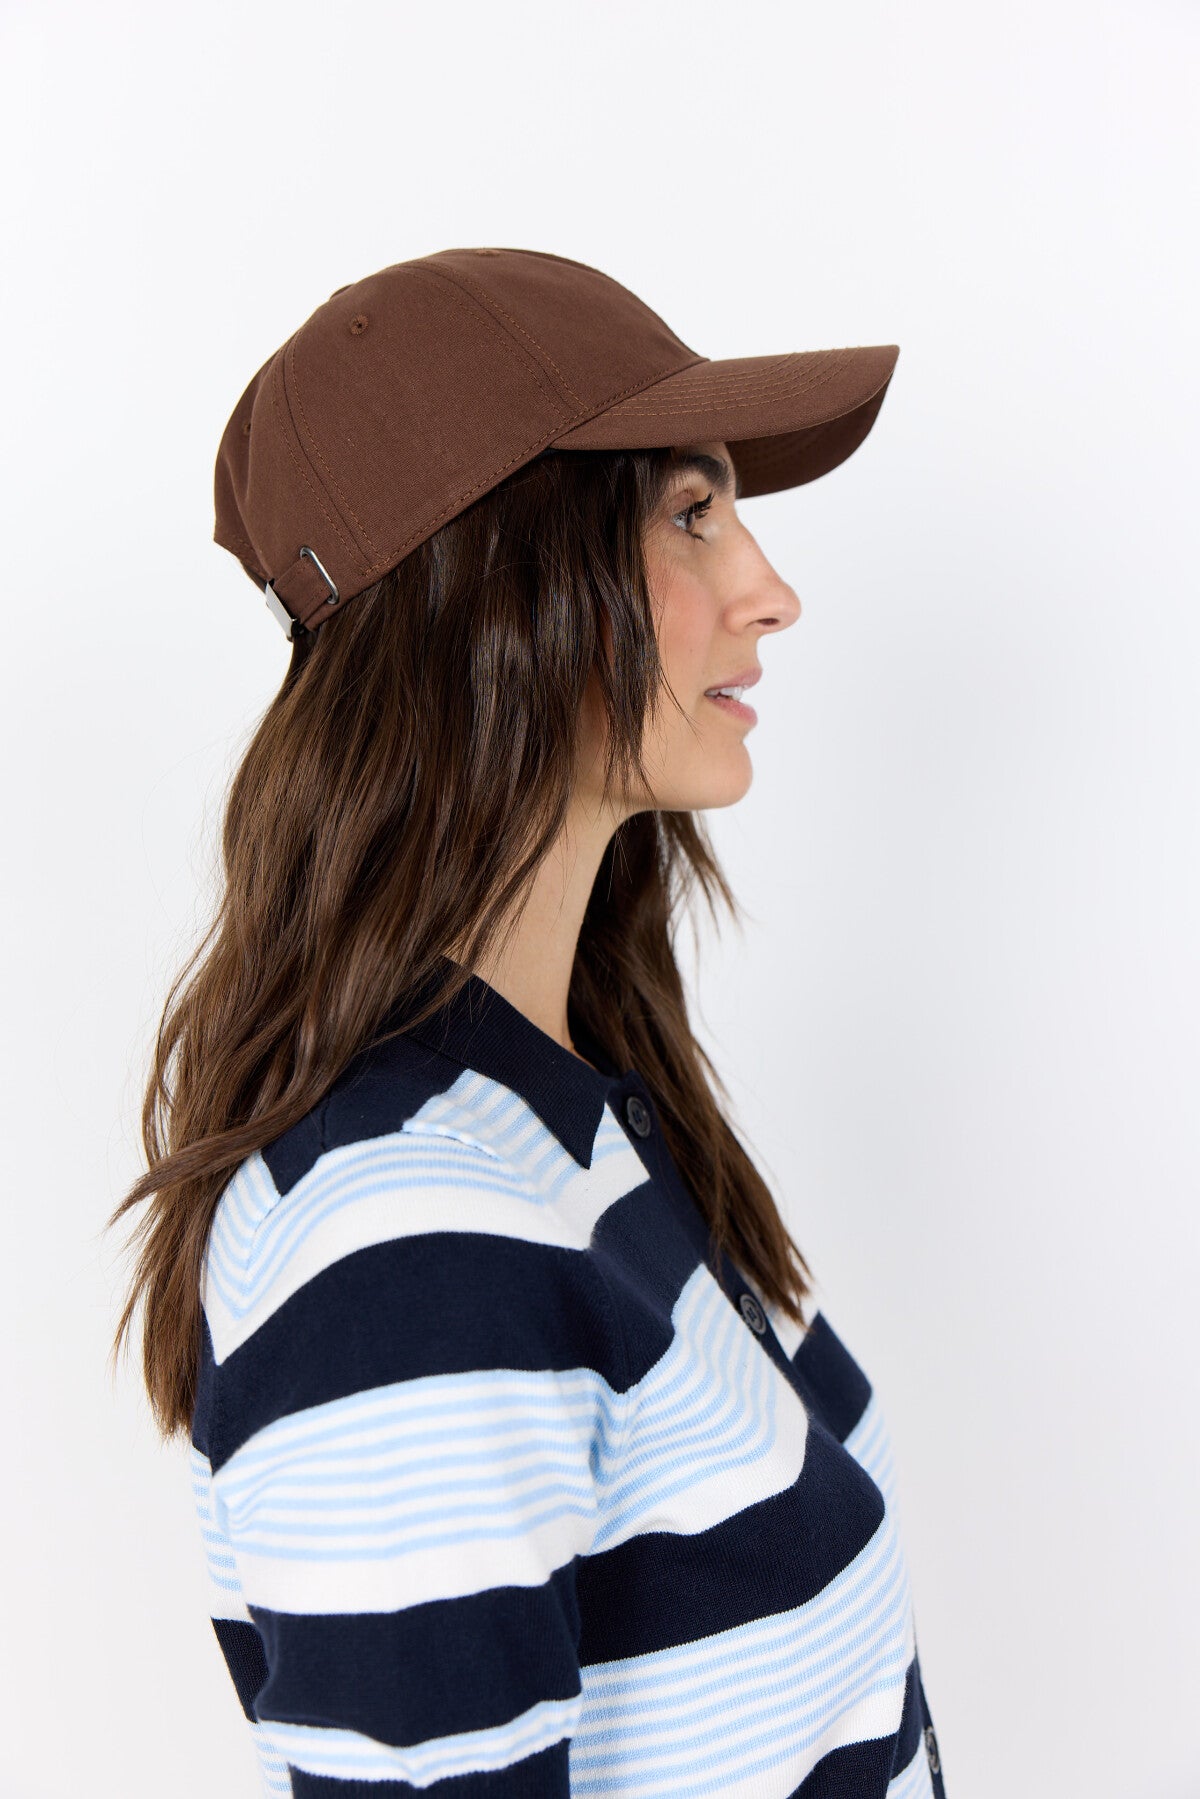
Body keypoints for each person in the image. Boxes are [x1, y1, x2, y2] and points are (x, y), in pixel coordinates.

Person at [111, 246, 946, 1797]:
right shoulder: (402, 1244)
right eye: (690, 514)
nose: (769, 590)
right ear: (497, 581)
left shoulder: (575, 1113)